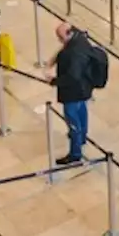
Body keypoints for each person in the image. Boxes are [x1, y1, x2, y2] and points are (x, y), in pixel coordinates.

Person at [47, 23, 95, 164]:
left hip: (73, 92)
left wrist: (54, 81)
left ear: (69, 33)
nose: (59, 40)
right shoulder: (80, 38)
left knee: (72, 121)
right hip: (84, 88)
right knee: (82, 111)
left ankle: (75, 153)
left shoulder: (73, 53)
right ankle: (83, 137)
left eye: (60, 37)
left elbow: (72, 77)